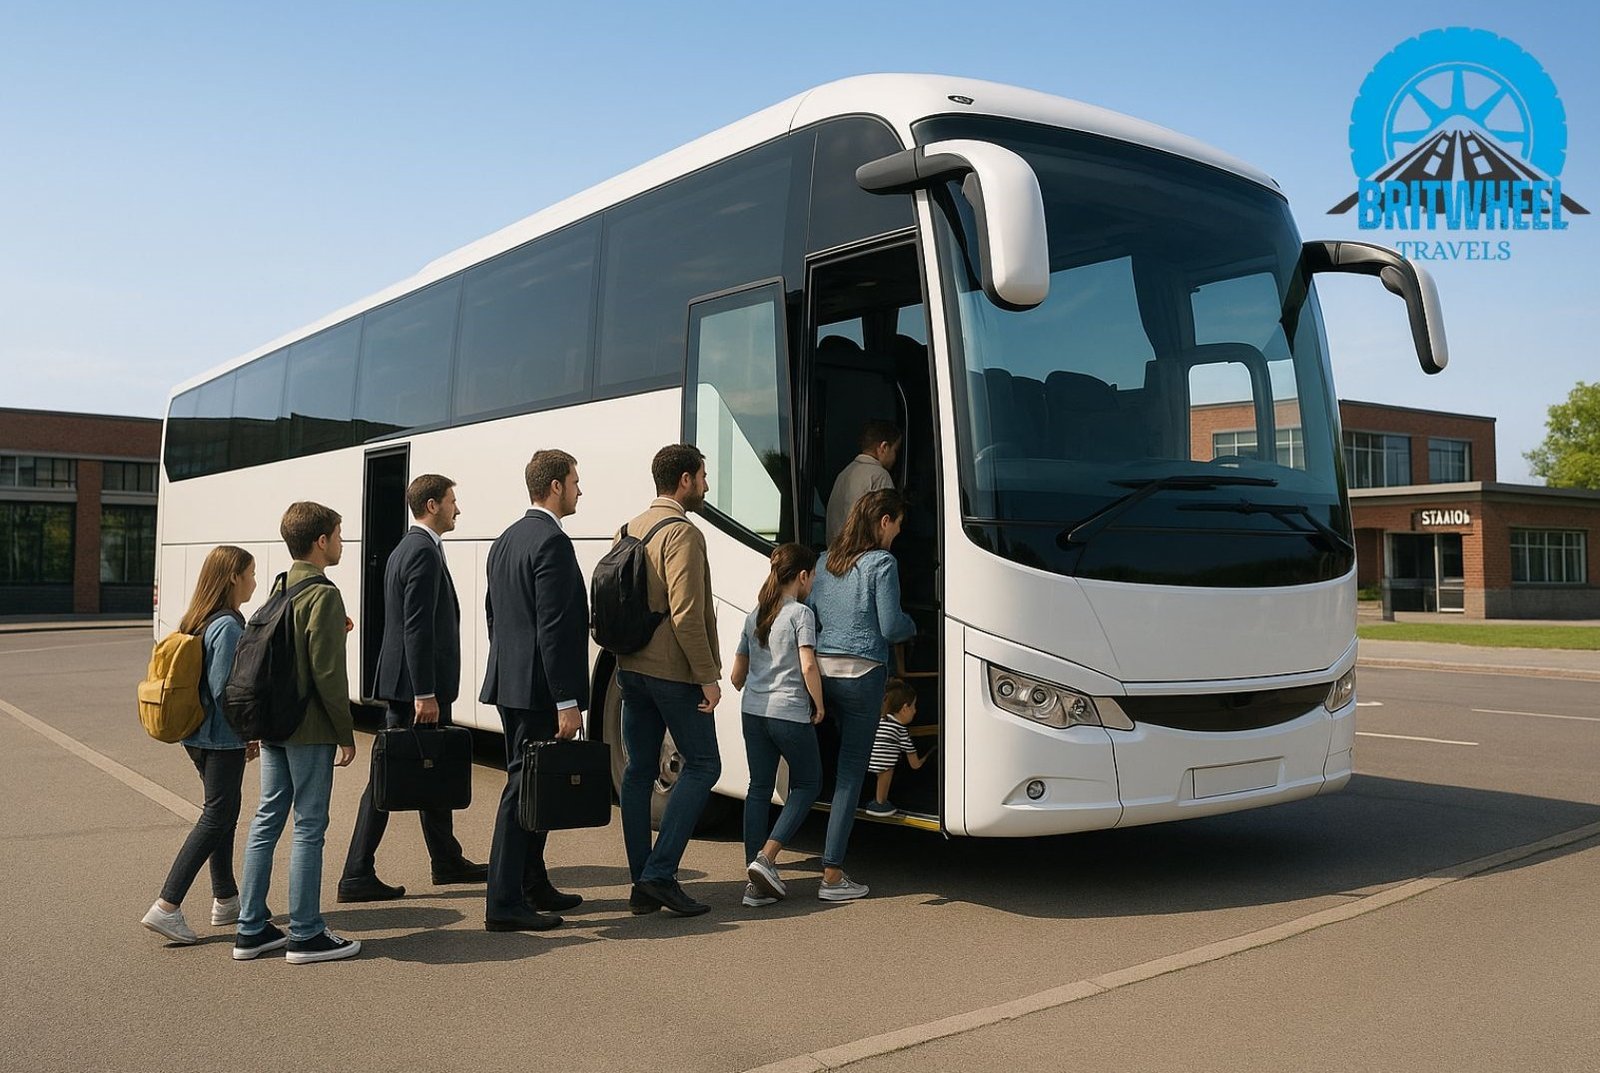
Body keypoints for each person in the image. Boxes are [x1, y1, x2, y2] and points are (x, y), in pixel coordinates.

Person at [339, 474, 486, 902]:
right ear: (431, 505)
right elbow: (417, 627)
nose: (457, 509)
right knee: (388, 779)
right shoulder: (421, 551)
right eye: (452, 501)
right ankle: (356, 872)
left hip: (409, 683)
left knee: (430, 769)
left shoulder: (412, 547)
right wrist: (425, 692)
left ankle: (446, 860)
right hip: (414, 689)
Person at [233, 501, 360, 965]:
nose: (343, 542)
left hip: (273, 725)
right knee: (309, 827)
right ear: (321, 541)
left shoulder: (280, 587)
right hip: (308, 729)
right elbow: (328, 675)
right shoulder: (323, 595)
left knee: (266, 820)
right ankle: (306, 933)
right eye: (340, 535)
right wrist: (345, 733)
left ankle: (250, 929)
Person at [480, 450, 590, 932]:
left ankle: (532, 883)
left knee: (532, 786)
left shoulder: (505, 540)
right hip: (541, 690)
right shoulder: (551, 543)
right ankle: (504, 902)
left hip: (512, 683)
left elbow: (494, 615)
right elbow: (555, 627)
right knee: (521, 789)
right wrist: (567, 699)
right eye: (574, 482)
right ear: (553, 487)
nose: (579, 491)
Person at [616, 443, 722, 917]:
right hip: (670, 673)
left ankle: (643, 882)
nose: (705, 484)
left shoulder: (629, 527)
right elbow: (686, 616)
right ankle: (660, 875)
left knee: (638, 771)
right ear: (683, 480)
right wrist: (709, 677)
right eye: (702, 476)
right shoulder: (683, 533)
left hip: (629, 669)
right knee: (704, 766)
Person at [140, 545, 258, 945]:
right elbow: (227, 689)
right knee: (216, 816)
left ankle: (225, 899)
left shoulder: (199, 618)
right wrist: (248, 733)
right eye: (250, 574)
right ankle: (167, 906)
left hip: (198, 735)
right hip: (220, 737)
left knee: (223, 813)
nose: (254, 581)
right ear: (232, 578)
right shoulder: (227, 626)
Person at [806, 488, 916, 901]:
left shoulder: (825, 560)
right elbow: (889, 626)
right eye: (898, 526)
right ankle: (832, 875)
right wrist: (914, 625)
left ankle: (767, 858)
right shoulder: (882, 563)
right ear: (883, 521)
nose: (898, 535)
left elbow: (812, 615)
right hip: (863, 674)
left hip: (822, 673)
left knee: (824, 768)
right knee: (852, 775)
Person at [729, 543, 824, 908]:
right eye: (813, 575)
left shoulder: (755, 614)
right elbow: (809, 666)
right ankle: (766, 858)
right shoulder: (800, 614)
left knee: (759, 787)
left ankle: (754, 882)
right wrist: (819, 704)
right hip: (788, 712)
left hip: (752, 712)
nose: (813, 582)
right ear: (802, 576)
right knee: (808, 782)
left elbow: (737, 676)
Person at [863, 677, 932, 818]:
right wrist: (926, 757)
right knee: (886, 773)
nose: (915, 711)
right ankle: (880, 803)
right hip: (884, 763)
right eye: (914, 707)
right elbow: (914, 764)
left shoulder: (879, 720)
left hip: (866, 759)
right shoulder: (900, 730)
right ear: (905, 709)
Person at [824, 420, 901, 546]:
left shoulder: (844, 474)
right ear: (884, 447)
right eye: (895, 451)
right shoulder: (880, 476)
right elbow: (886, 532)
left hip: (835, 556)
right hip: (861, 557)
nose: (896, 458)